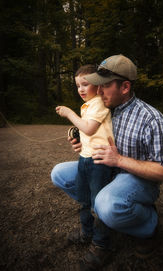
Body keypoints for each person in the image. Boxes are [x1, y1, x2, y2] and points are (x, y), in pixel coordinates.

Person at [51, 55, 163, 270]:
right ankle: (106, 220)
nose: (98, 91)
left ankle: (148, 225)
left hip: (137, 179)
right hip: (104, 171)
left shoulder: (152, 119)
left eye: (105, 86)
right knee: (59, 173)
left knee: (106, 204)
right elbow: (96, 135)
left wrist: (119, 159)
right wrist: (83, 144)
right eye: (97, 85)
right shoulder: (105, 108)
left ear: (125, 87)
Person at [55, 65, 114, 254]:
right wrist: (75, 133)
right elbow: (86, 131)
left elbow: (90, 128)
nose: (80, 89)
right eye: (78, 85)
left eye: (85, 84)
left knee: (97, 204)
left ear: (97, 86)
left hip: (98, 163)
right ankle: (86, 232)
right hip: (85, 159)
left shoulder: (99, 103)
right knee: (84, 200)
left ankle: (101, 242)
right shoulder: (87, 105)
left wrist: (70, 114)